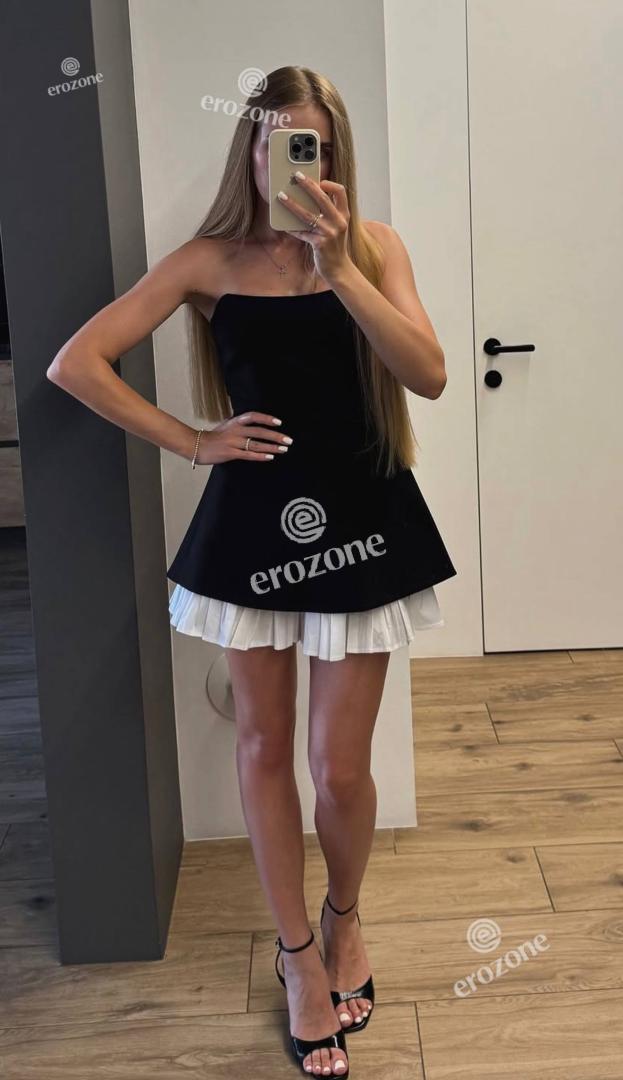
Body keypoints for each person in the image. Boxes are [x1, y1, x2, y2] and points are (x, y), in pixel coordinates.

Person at [47, 65, 456, 1079]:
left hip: (363, 520)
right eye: (279, 142)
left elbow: (428, 376)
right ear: (253, 150)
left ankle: (345, 917)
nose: (296, 161)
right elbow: (75, 362)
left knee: (340, 768)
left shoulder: (374, 248)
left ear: (336, 151)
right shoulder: (207, 260)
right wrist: (192, 440)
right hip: (251, 530)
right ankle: (298, 959)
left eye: (314, 143)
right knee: (264, 747)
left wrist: (339, 265)